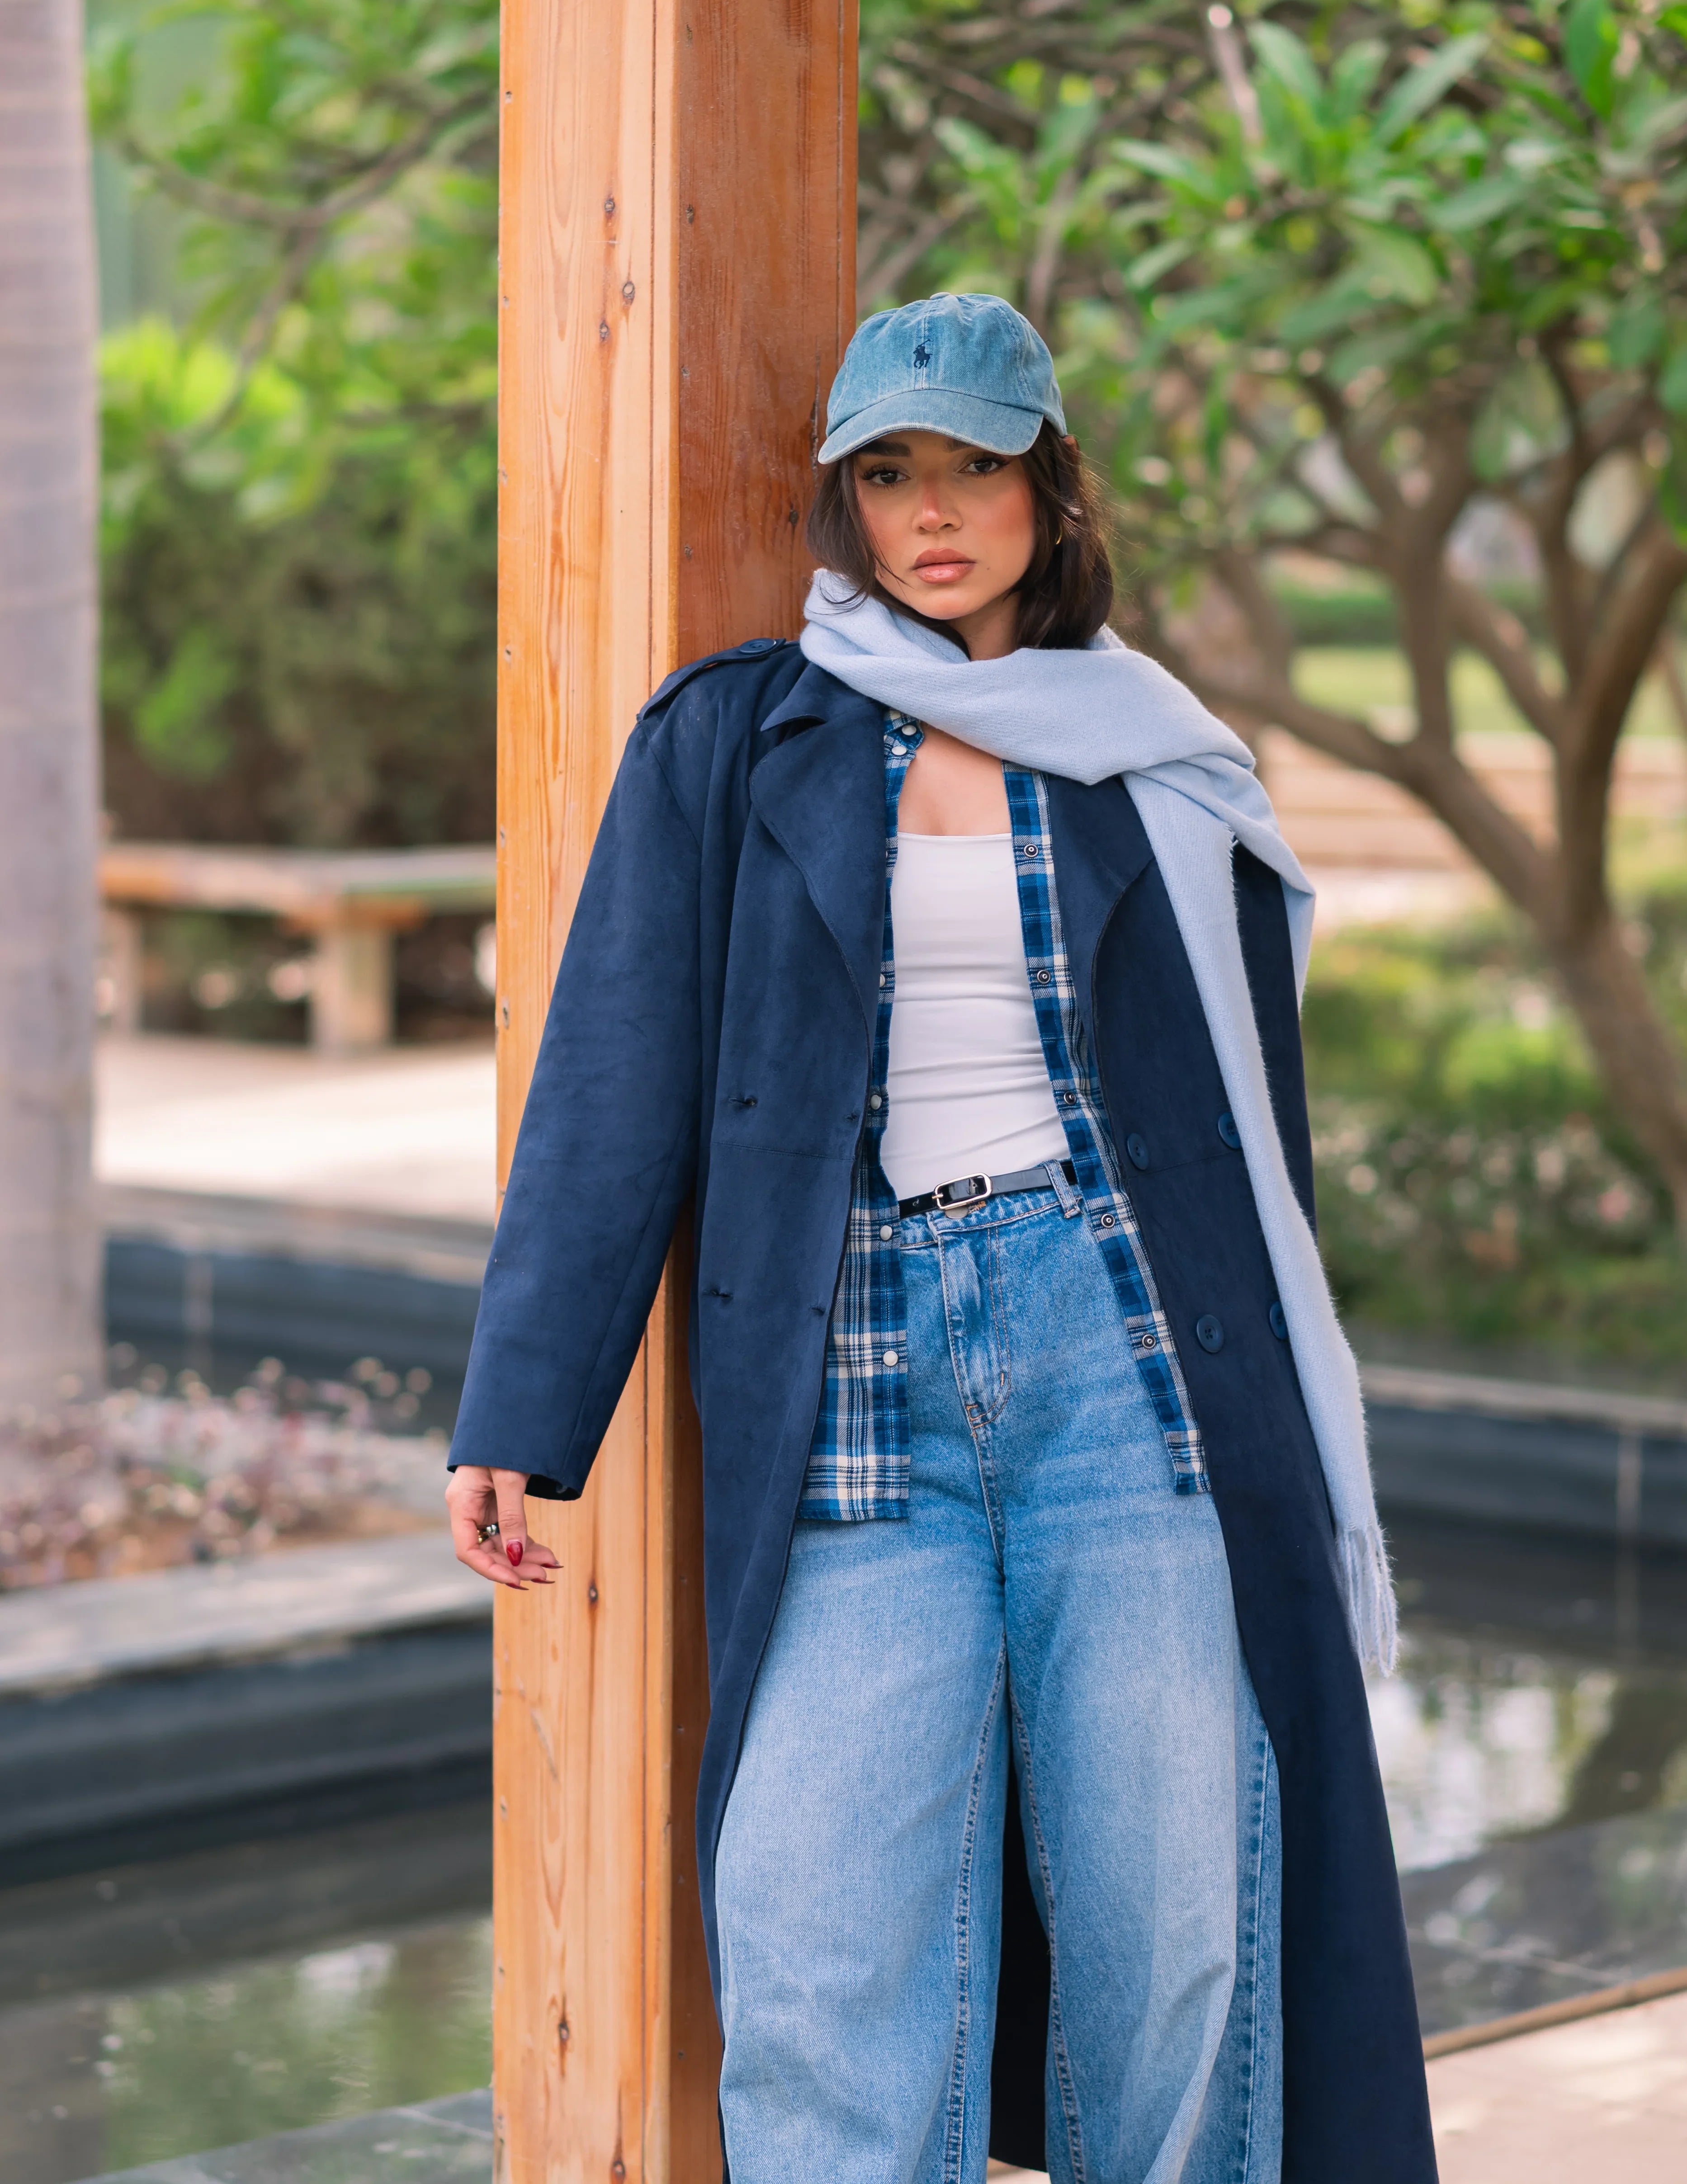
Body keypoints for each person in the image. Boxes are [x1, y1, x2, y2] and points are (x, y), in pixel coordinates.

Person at [446, 293, 1436, 2184]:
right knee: (819, 1936)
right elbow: (613, 1082)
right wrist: (523, 1405)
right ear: (848, 502)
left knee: (1174, 1931)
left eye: (974, 466)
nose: (932, 512)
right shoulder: (736, 736)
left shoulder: (1154, 759)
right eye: (890, 474)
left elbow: (1248, 1138)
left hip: (1126, 1354)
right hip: (857, 1365)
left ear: (1048, 489)